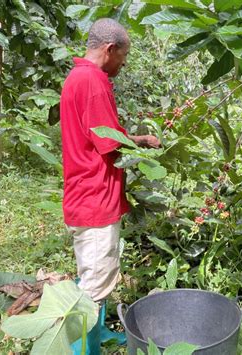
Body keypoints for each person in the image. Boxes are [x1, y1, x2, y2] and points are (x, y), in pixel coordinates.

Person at [60, 18, 160, 353]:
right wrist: (142, 149)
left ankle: (96, 334)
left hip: (85, 191)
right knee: (95, 282)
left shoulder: (79, 76)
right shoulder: (93, 81)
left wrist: (139, 140)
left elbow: (99, 136)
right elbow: (110, 144)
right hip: (95, 198)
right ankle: (82, 349)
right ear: (110, 49)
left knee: (94, 272)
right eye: (123, 55)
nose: (124, 63)